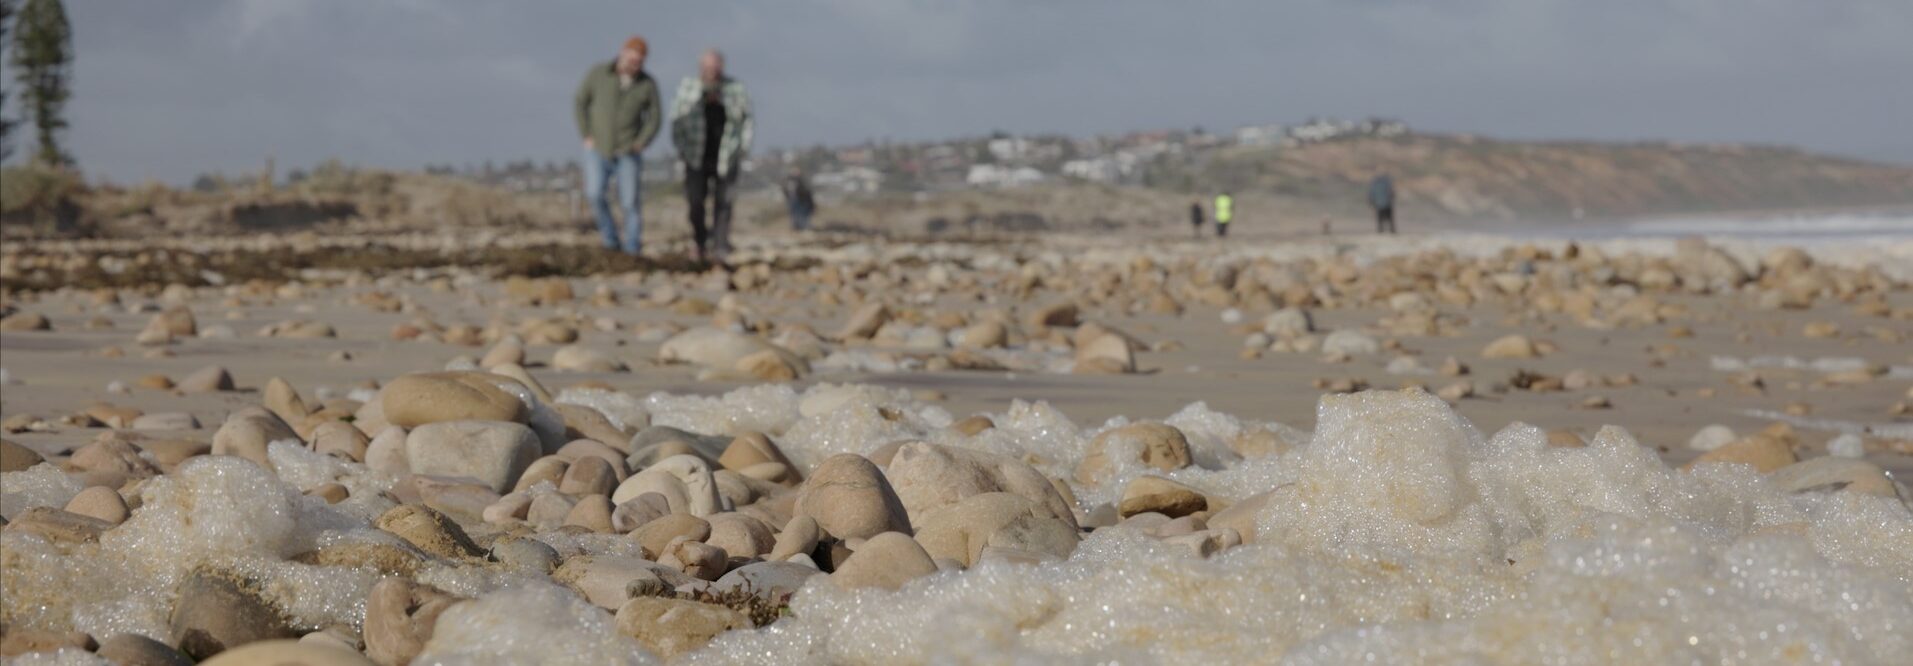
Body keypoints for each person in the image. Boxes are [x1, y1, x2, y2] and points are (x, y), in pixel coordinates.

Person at [573, 36, 661, 255]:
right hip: (598, 148)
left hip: (628, 151)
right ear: (622, 53)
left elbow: (655, 117)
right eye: (632, 60)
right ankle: (610, 240)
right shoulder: (599, 74)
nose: (635, 65)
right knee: (594, 194)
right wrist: (586, 134)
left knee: (630, 202)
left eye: (639, 62)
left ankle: (632, 248)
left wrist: (642, 141)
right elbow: (580, 102)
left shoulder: (647, 84)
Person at [670, 49, 754, 262]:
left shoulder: (735, 89)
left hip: (727, 154)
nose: (711, 71)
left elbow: (748, 120)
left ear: (721, 67)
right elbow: (676, 118)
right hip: (695, 155)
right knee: (695, 202)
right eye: (707, 67)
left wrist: (743, 148)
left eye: (715, 67)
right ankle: (700, 240)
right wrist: (681, 148)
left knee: (724, 203)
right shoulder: (688, 87)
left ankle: (720, 244)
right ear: (700, 67)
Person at [782, 167, 816, 232]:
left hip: (803, 201)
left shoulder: (801, 180)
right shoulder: (790, 181)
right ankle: (798, 227)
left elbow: (807, 191)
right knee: (797, 215)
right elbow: (787, 191)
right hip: (796, 201)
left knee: (803, 215)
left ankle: (802, 227)